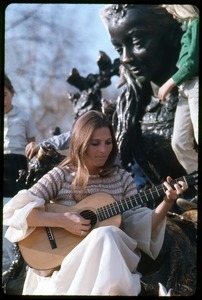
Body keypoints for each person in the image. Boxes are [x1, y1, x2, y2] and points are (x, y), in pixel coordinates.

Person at [3, 110, 188, 296]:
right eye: (95, 143)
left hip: (112, 260)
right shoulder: (61, 175)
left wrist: (167, 200)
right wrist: (62, 220)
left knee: (106, 234)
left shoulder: (122, 178)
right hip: (69, 262)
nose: (103, 150)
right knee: (105, 234)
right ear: (80, 144)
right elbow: (14, 211)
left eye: (108, 143)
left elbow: (140, 226)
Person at [158, 5, 199, 210]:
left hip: (196, 83)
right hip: (185, 88)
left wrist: (169, 83)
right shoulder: (187, 27)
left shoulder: (197, 24)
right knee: (179, 142)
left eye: (169, 7)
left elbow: (192, 62)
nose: (170, 12)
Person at [3, 74, 37, 290]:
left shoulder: (24, 116)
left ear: (12, 93)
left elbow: (32, 146)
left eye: (4, 94)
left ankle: (15, 268)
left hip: (16, 168)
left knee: (12, 215)